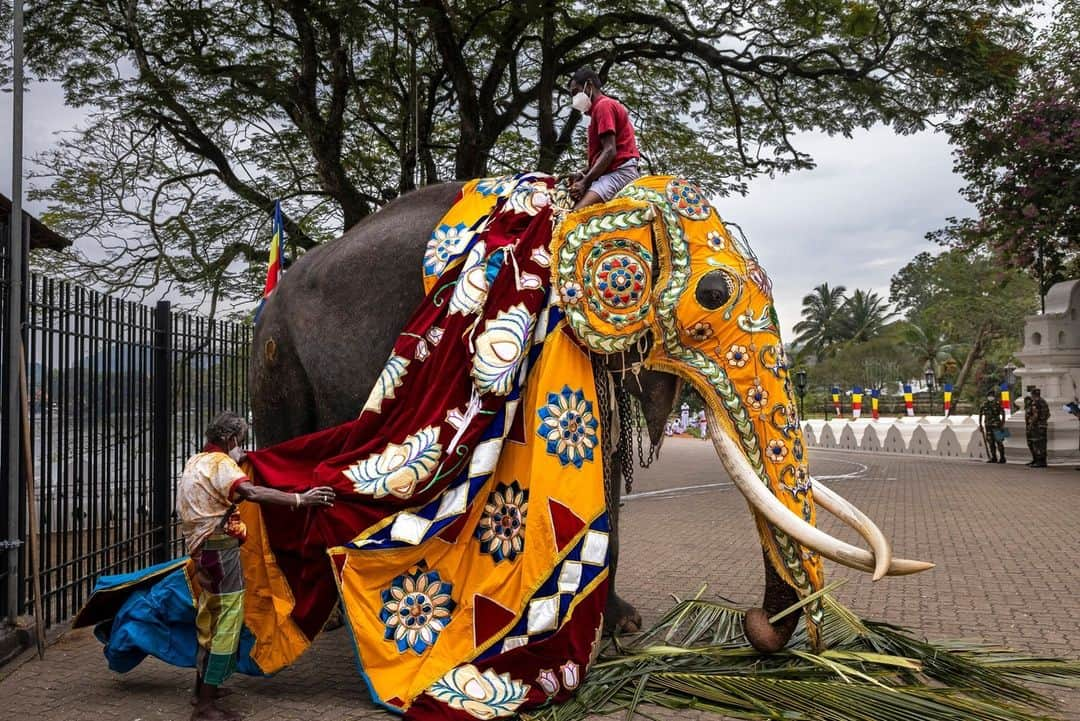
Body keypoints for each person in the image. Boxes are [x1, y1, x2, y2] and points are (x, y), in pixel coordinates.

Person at [178, 412, 336, 721]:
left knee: (209, 619)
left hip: (202, 551)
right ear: (231, 439)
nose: (242, 447)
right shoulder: (221, 465)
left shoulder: (196, 461)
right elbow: (251, 492)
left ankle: (202, 691)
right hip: (220, 550)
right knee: (226, 621)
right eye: (242, 441)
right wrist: (301, 500)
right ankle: (206, 708)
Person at [565, 68, 641, 209]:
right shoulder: (600, 109)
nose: (574, 99)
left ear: (589, 85)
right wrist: (582, 173)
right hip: (614, 172)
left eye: (576, 92)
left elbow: (610, 151)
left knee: (575, 214)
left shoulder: (603, 106)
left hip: (620, 173)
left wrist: (585, 183)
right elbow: (602, 155)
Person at [978, 391, 1006, 463]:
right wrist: (980, 425)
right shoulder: (984, 404)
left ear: (994, 396)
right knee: (990, 442)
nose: (990, 397)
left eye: (992, 395)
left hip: (998, 426)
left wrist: (1003, 424)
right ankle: (993, 457)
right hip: (988, 426)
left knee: (999, 442)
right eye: (989, 395)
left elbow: (1003, 413)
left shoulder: (998, 404)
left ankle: (1002, 458)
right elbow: (980, 415)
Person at [1029, 388, 1051, 467]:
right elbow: (1048, 414)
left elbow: (1035, 415)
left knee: (1037, 443)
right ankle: (1043, 461)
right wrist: (1043, 421)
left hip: (1037, 426)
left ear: (1033, 394)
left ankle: (1039, 462)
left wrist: (1031, 423)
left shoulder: (1035, 402)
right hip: (1043, 425)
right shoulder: (1043, 401)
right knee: (1043, 443)